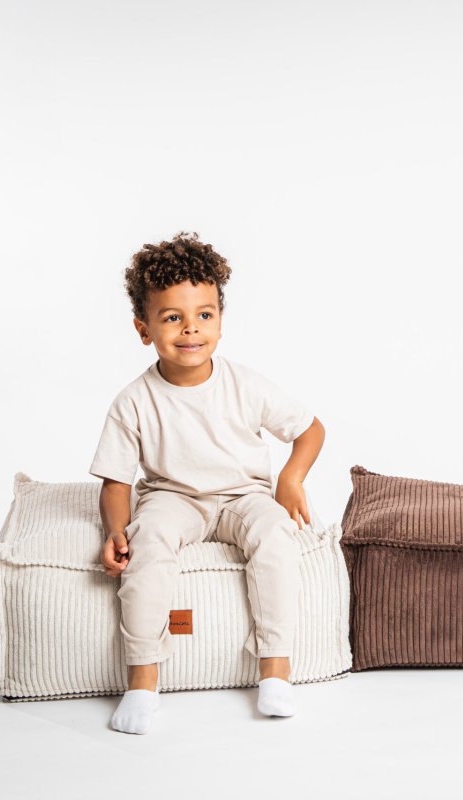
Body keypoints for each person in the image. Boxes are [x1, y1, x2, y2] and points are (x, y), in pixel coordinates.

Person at [88, 231, 325, 734]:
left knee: (276, 533)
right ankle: (142, 680)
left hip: (245, 496)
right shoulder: (134, 401)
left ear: (220, 320)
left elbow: (310, 430)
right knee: (148, 541)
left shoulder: (245, 384)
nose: (191, 328)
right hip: (173, 498)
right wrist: (115, 531)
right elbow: (116, 481)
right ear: (144, 329)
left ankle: (276, 670)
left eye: (204, 314)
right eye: (172, 317)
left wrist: (291, 477)